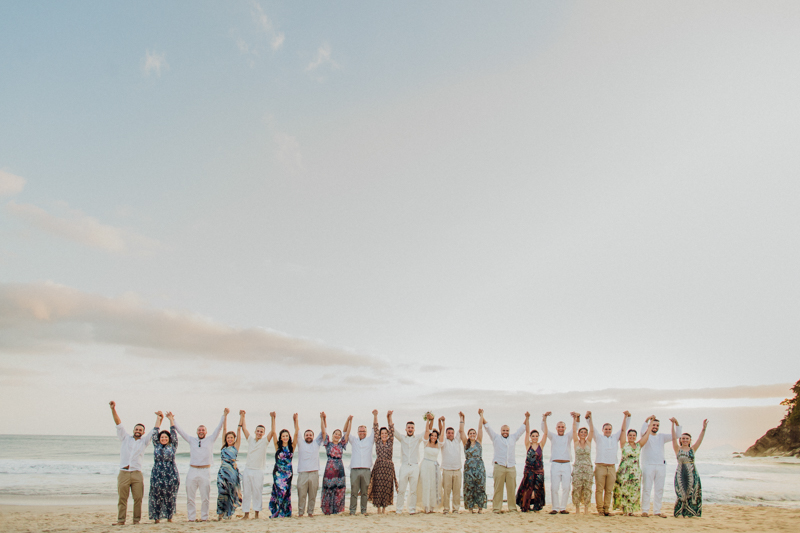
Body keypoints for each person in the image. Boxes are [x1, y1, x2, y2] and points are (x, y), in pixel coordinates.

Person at [173, 408, 228, 522]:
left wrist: (224, 415)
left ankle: (204, 518)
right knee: (190, 497)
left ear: (206, 432)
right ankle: (191, 518)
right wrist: (172, 419)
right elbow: (181, 431)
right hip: (192, 470)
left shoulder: (210, 439)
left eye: (203, 430)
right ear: (197, 431)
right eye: (199, 430)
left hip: (205, 471)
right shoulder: (191, 439)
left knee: (205, 498)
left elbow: (219, 428)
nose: (201, 431)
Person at [109, 401, 157, 526]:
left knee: (138, 499)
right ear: (133, 430)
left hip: (137, 473)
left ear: (143, 432)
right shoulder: (125, 438)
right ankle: (121, 521)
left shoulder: (144, 442)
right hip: (124, 473)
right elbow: (118, 424)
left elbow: (154, 430)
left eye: (140, 430)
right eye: (136, 429)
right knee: (122, 499)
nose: (138, 431)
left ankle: (136, 521)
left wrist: (159, 418)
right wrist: (113, 409)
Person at [482, 410, 528, 512]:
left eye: (507, 430)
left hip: (511, 467)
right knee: (498, 488)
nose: (505, 432)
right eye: (503, 431)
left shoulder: (513, 437)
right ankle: (497, 508)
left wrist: (527, 418)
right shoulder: (496, 438)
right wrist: (481, 415)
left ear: (509, 431)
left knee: (511, 489)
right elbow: (487, 427)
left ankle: (512, 508)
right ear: (501, 431)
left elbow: (522, 429)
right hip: (499, 466)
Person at [587, 410, 630, 516]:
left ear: (611, 430)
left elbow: (624, 429)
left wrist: (626, 417)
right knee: (599, 489)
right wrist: (589, 417)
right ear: (602, 430)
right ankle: (600, 509)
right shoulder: (599, 438)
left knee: (609, 490)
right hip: (600, 466)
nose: (608, 430)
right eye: (606, 429)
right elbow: (592, 429)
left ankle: (606, 509)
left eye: (609, 429)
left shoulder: (615, 438)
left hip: (611, 467)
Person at [640, 415, 681, 518]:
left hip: (661, 466)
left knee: (659, 489)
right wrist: (647, 419)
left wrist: (676, 423)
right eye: (653, 425)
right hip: (648, 465)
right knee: (646, 489)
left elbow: (677, 435)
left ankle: (657, 511)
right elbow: (642, 431)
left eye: (657, 425)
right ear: (650, 425)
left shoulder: (662, 436)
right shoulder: (646, 435)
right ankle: (645, 510)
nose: (655, 427)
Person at [612, 419, 654, 515]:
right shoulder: (624, 444)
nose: (632, 437)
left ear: (636, 437)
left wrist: (650, 422)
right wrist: (625, 417)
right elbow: (623, 430)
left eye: (633, 435)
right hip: (624, 471)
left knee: (633, 491)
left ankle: (631, 510)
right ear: (627, 436)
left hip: (635, 472)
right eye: (630, 435)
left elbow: (647, 434)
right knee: (623, 490)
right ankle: (624, 510)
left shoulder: (639, 445)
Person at [239, 410, 271, 520]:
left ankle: (257, 514)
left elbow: (273, 432)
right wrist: (243, 416)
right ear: (255, 431)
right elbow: (244, 429)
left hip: (258, 470)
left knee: (257, 492)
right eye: (258, 431)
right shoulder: (250, 440)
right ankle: (246, 514)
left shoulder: (265, 442)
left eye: (261, 431)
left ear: (263, 433)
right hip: (248, 469)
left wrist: (273, 418)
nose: (259, 433)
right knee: (247, 492)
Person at [671, 418, 707, 518]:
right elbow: (673, 438)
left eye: (687, 439)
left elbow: (700, 439)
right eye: (683, 438)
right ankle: (680, 512)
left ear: (690, 440)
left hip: (692, 473)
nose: (685, 440)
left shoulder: (693, 449)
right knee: (680, 493)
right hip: (680, 472)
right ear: (681, 440)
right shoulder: (677, 448)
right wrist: (673, 425)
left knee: (693, 493)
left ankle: (691, 513)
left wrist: (703, 428)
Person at [542, 411, 576, 514]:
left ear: (565, 428)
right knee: (554, 487)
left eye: (562, 427)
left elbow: (575, 429)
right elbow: (544, 430)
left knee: (566, 487)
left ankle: (563, 508)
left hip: (566, 464)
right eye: (559, 427)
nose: (561, 428)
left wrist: (575, 418)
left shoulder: (568, 437)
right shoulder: (553, 437)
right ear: (556, 428)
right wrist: (544, 418)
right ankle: (555, 508)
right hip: (555, 464)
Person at [149, 411, 180, 523]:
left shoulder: (173, 445)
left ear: (169, 439)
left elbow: (174, 432)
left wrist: (171, 419)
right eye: (162, 437)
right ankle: (156, 518)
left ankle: (169, 518)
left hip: (171, 473)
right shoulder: (156, 444)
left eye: (166, 437)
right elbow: (155, 431)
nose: (163, 439)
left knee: (170, 496)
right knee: (156, 495)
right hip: (157, 473)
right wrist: (158, 419)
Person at [516, 412, 548, 512]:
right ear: (530, 437)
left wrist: (545, 419)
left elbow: (546, 433)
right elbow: (526, 431)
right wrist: (527, 418)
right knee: (528, 488)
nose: (535, 437)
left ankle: (537, 507)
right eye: (533, 436)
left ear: (538, 437)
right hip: (529, 470)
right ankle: (526, 506)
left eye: (536, 436)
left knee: (538, 489)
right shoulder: (527, 445)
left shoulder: (541, 445)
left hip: (539, 471)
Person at [296, 412, 326, 517]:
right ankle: (300, 513)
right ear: (304, 436)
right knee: (302, 495)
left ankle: (310, 512)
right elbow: (297, 431)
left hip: (314, 473)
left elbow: (323, 431)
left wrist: (322, 419)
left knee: (312, 495)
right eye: (307, 435)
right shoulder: (300, 443)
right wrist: (296, 420)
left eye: (310, 435)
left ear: (313, 436)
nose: (308, 436)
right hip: (302, 473)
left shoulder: (316, 443)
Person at [321, 414, 351, 515]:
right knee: (328, 488)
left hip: (339, 468)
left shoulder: (341, 444)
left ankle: (337, 510)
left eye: (339, 434)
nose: (337, 435)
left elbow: (347, 434)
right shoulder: (328, 444)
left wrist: (349, 421)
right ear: (332, 435)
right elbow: (324, 431)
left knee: (339, 488)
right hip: (329, 467)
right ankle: (327, 510)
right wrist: (323, 419)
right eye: (335, 434)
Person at [269, 412, 298, 518]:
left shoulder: (292, 447)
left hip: (288, 474)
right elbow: (273, 432)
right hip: (278, 474)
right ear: (281, 438)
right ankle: (277, 512)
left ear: (288, 437)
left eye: (286, 436)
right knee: (279, 493)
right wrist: (273, 418)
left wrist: (295, 420)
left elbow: (296, 433)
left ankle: (285, 512)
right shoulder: (278, 447)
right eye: (283, 436)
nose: (285, 437)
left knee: (286, 494)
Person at [368, 411, 397, 514]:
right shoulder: (378, 441)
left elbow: (392, 428)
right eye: (382, 433)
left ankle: (384, 508)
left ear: (388, 435)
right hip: (379, 466)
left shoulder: (390, 441)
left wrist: (389, 416)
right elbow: (375, 428)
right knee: (378, 487)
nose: (384, 434)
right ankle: (378, 509)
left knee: (386, 488)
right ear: (380, 435)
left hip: (388, 467)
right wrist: (375, 416)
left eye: (386, 433)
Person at [347, 411, 375, 516]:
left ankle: (364, 511)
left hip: (366, 470)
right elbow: (346, 432)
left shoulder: (370, 440)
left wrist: (375, 416)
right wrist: (350, 421)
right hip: (354, 469)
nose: (362, 432)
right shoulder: (354, 440)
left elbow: (374, 429)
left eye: (363, 431)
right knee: (354, 492)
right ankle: (352, 511)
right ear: (357, 432)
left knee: (364, 493)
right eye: (360, 431)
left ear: (366, 432)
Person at [395, 414, 424, 514]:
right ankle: (399, 509)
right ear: (405, 429)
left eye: (412, 428)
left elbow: (427, 431)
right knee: (401, 489)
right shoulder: (402, 438)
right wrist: (389, 417)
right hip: (404, 466)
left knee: (413, 491)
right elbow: (393, 431)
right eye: (408, 427)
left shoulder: (418, 438)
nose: (410, 429)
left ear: (414, 429)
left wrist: (430, 420)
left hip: (415, 466)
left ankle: (412, 509)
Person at [216, 413, 242, 520]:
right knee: (222, 492)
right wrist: (225, 416)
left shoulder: (236, 446)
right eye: (228, 437)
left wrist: (241, 417)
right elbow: (224, 429)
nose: (229, 439)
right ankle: (220, 514)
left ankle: (229, 514)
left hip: (232, 474)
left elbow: (239, 431)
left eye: (231, 437)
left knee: (231, 493)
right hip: (222, 473)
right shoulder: (224, 446)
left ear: (234, 439)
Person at [438, 415, 465, 514]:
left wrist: (461, 419)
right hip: (447, 470)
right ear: (446, 434)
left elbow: (461, 430)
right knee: (447, 491)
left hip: (457, 470)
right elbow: (441, 431)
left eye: (452, 433)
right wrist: (442, 422)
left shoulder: (457, 440)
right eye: (448, 433)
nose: (450, 434)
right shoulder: (443, 442)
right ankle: (446, 509)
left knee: (457, 491)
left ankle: (455, 509)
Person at [462, 410, 487, 513]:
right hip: (468, 468)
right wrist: (462, 419)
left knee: (480, 487)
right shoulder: (465, 443)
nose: (472, 434)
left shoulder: (479, 441)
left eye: (474, 433)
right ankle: (470, 508)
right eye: (470, 433)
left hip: (479, 467)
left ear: (476, 435)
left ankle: (480, 508)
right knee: (469, 487)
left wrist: (481, 415)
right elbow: (461, 431)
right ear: (468, 435)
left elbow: (480, 427)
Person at [419, 416, 443, 513]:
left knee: (434, 486)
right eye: (432, 435)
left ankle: (432, 506)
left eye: (435, 436)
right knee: (426, 485)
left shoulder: (439, 444)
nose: (433, 437)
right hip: (425, 465)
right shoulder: (426, 442)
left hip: (434, 466)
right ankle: (426, 507)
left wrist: (442, 422)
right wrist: (428, 419)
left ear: (437, 437)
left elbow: (442, 433)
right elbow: (426, 430)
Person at [571, 413, 593, 515]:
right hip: (577, 469)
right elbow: (574, 430)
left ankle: (586, 509)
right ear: (579, 434)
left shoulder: (589, 442)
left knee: (587, 488)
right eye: (581, 432)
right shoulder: (576, 442)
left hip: (588, 469)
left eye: (585, 432)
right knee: (577, 488)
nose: (583, 433)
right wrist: (575, 419)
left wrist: (590, 418)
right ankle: (577, 509)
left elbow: (592, 430)